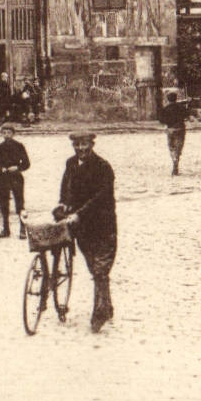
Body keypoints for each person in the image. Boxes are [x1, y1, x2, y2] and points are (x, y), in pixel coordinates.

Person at [60, 131, 117, 333]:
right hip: (82, 228)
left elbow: (101, 197)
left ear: (91, 144)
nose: (81, 149)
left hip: (103, 225)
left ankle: (98, 315)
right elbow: (66, 187)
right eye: (77, 145)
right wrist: (63, 203)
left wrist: (79, 213)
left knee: (100, 269)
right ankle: (107, 306)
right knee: (95, 268)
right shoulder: (71, 163)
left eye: (84, 144)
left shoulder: (103, 167)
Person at [0, 123, 31, 238]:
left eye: (9, 133)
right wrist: (1, 168)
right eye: (4, 133)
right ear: (1, 134)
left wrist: (17, 168)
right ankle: (6, 229)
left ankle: (23, 230)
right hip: (3, 178)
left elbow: (27, 163)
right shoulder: (0, 147)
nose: (6, 135)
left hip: (16, 177)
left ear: (13, 134)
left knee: (20, 203)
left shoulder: (19, 146)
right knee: (4, 203)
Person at [158, 89, 194, 175]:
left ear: (167, 99)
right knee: (179, 146)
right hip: (180, 129)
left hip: (170, 129)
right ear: (176, 98)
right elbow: (189, 117)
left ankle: (174, 158)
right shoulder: (181, 107)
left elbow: (161, 120)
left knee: (171, 146)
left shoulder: (165, 109)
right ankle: (176, 159)